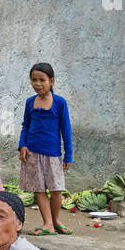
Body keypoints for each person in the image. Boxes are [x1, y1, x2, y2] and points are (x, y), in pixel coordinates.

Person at [19, 62, 74, 234]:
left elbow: (66, 129)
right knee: (39, 190)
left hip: (53, 154)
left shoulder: (59, 103)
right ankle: (47, 223)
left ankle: (55, 220)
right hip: (32, 153)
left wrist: (68, 155)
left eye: (42, 80)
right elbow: (25, 126)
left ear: (51, 81)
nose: (37, 84)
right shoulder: (30, 103)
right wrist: (22, 145)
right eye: (34, 80)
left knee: (56, 190)